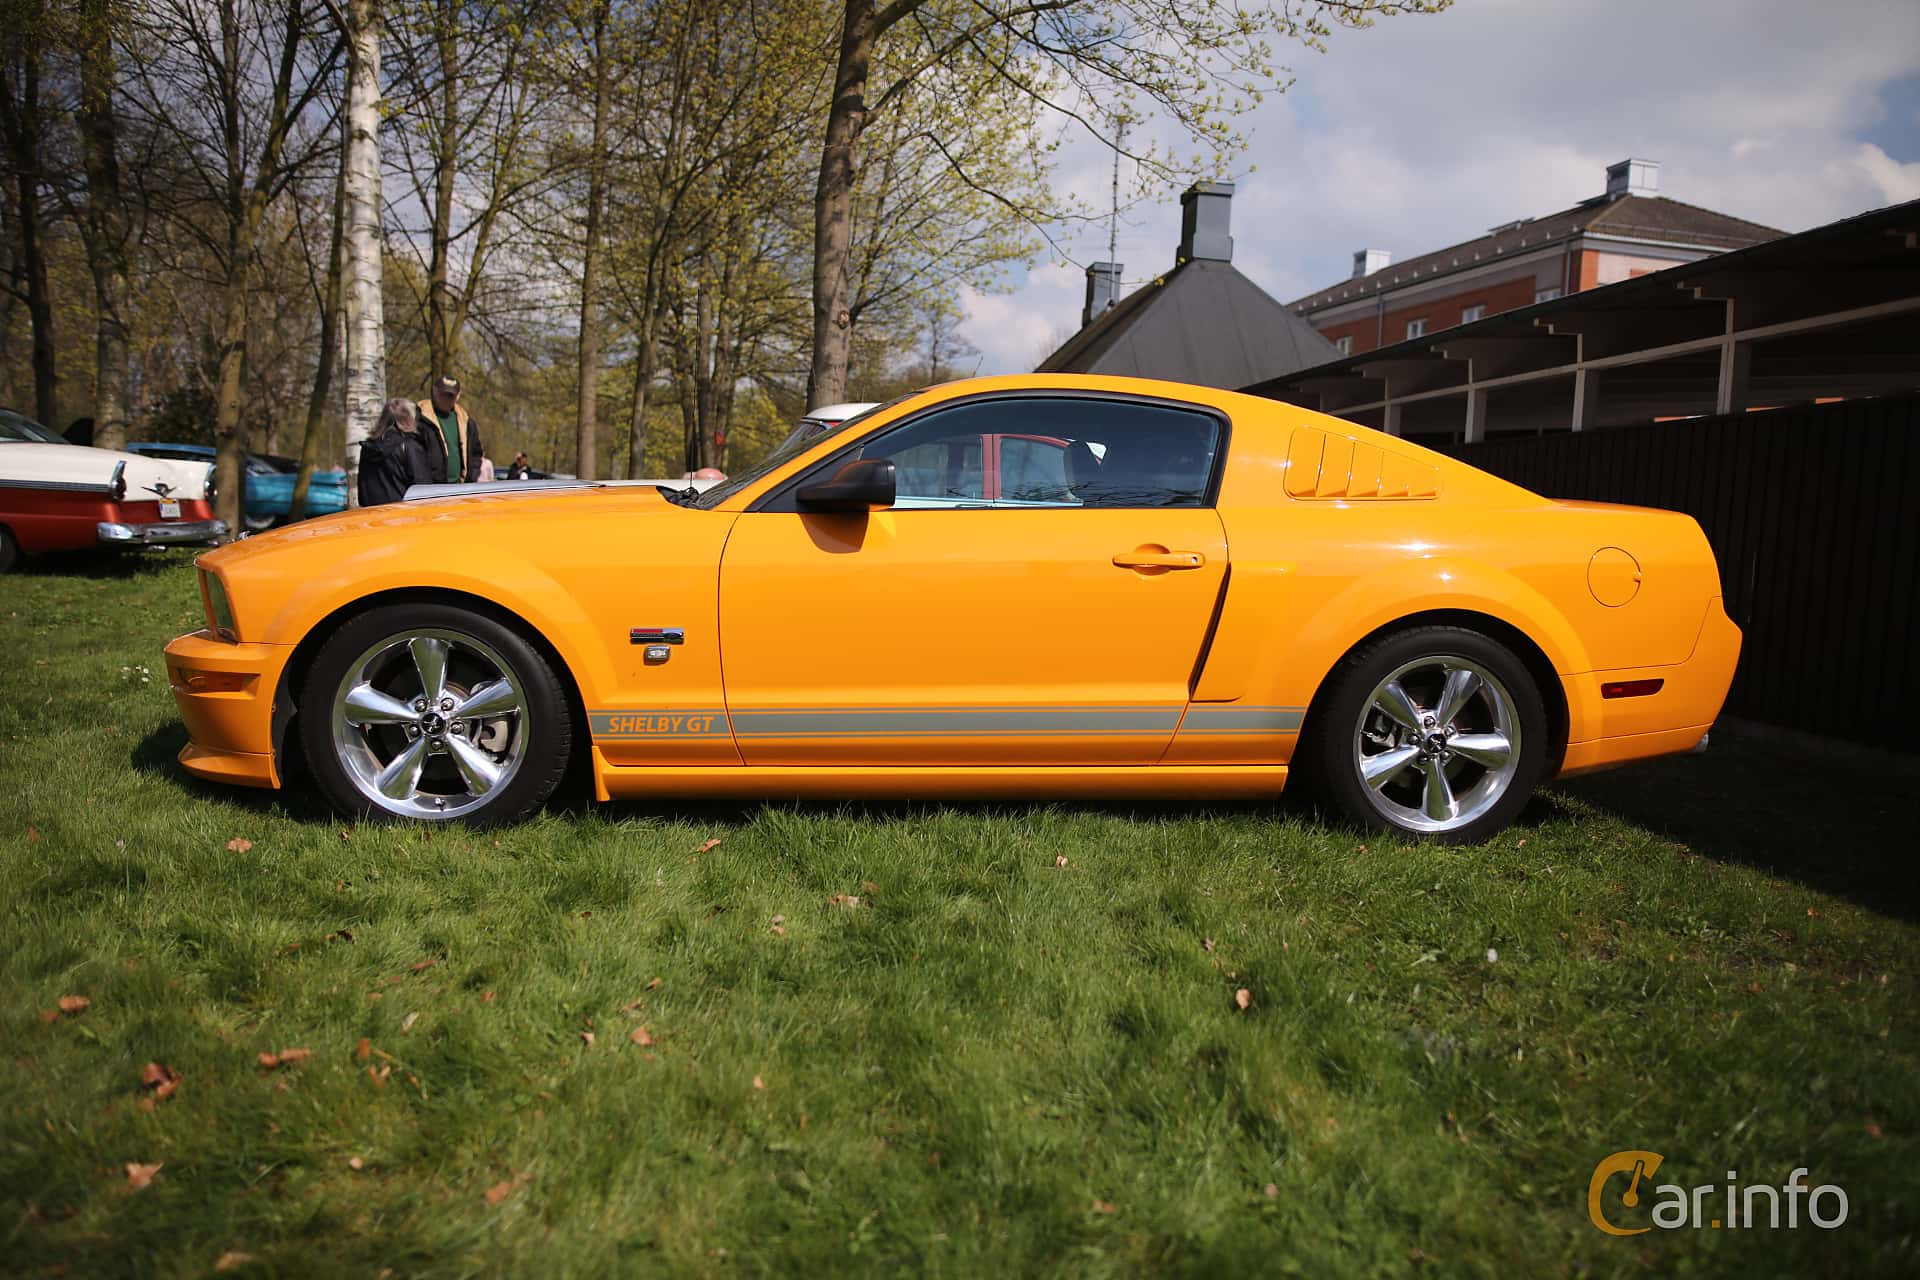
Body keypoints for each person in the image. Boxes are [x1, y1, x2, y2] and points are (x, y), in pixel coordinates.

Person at [357, 397, 434, 506]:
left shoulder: (368, 447)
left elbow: (362, 494)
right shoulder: (410, 446)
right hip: (403, 517)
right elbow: (425, 491)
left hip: (372, 516)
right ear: (409, 418)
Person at [414, 374, 485, 484]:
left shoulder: (466, 421)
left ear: (457, 396)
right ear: (434, 391)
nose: (446, 399)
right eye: (443, 394)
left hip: (460, 488)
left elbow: (476, 453)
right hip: (430, 490)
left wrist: (472, 476)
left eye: (450, 396)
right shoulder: (419, 418)